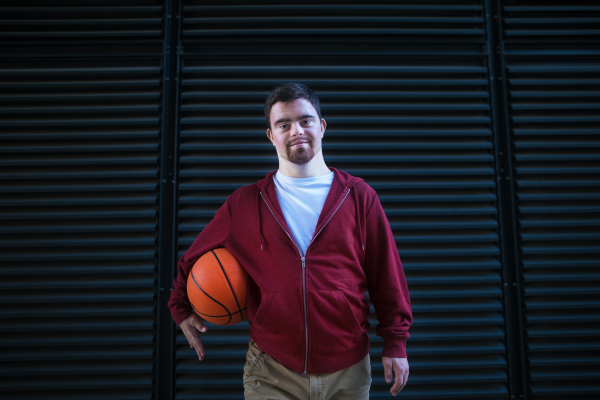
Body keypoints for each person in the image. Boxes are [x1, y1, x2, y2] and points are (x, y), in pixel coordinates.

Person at [168, 82, 412, 399]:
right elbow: (190, 259)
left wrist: (396, 342)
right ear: (271, 135)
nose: (296, 130)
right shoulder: (244, 204)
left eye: (305, 120)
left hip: (348, 367)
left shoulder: (358, 196)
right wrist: (179, 308)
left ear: (321, 127)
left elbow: (387, 275)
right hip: (271, 368)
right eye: (284, 124)